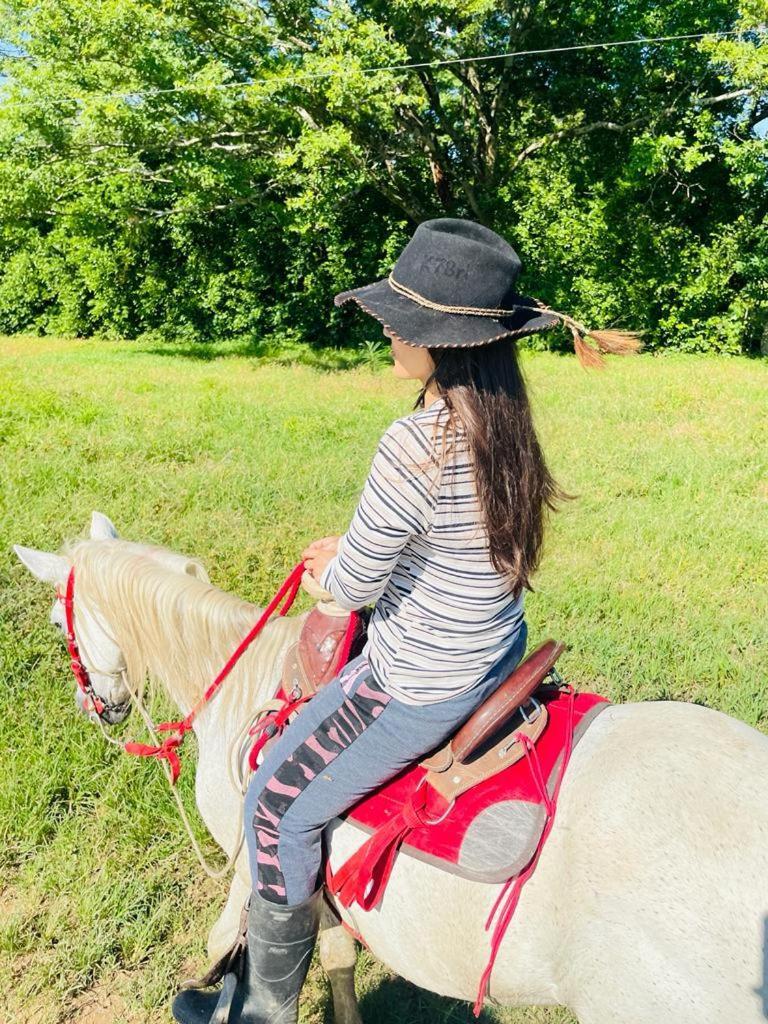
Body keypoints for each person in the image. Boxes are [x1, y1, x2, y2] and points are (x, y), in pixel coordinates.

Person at [172, 217, 639, 1024]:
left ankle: (260, 1013)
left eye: (403, 318)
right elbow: (447, 542)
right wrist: (357, 549)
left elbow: (350, 588)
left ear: (443, 342)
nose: (388, 327)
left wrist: (333, 566)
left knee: (273, 806)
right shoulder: (507, 426)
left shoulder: (412, 444)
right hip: (495, 653)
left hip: (422, 681)